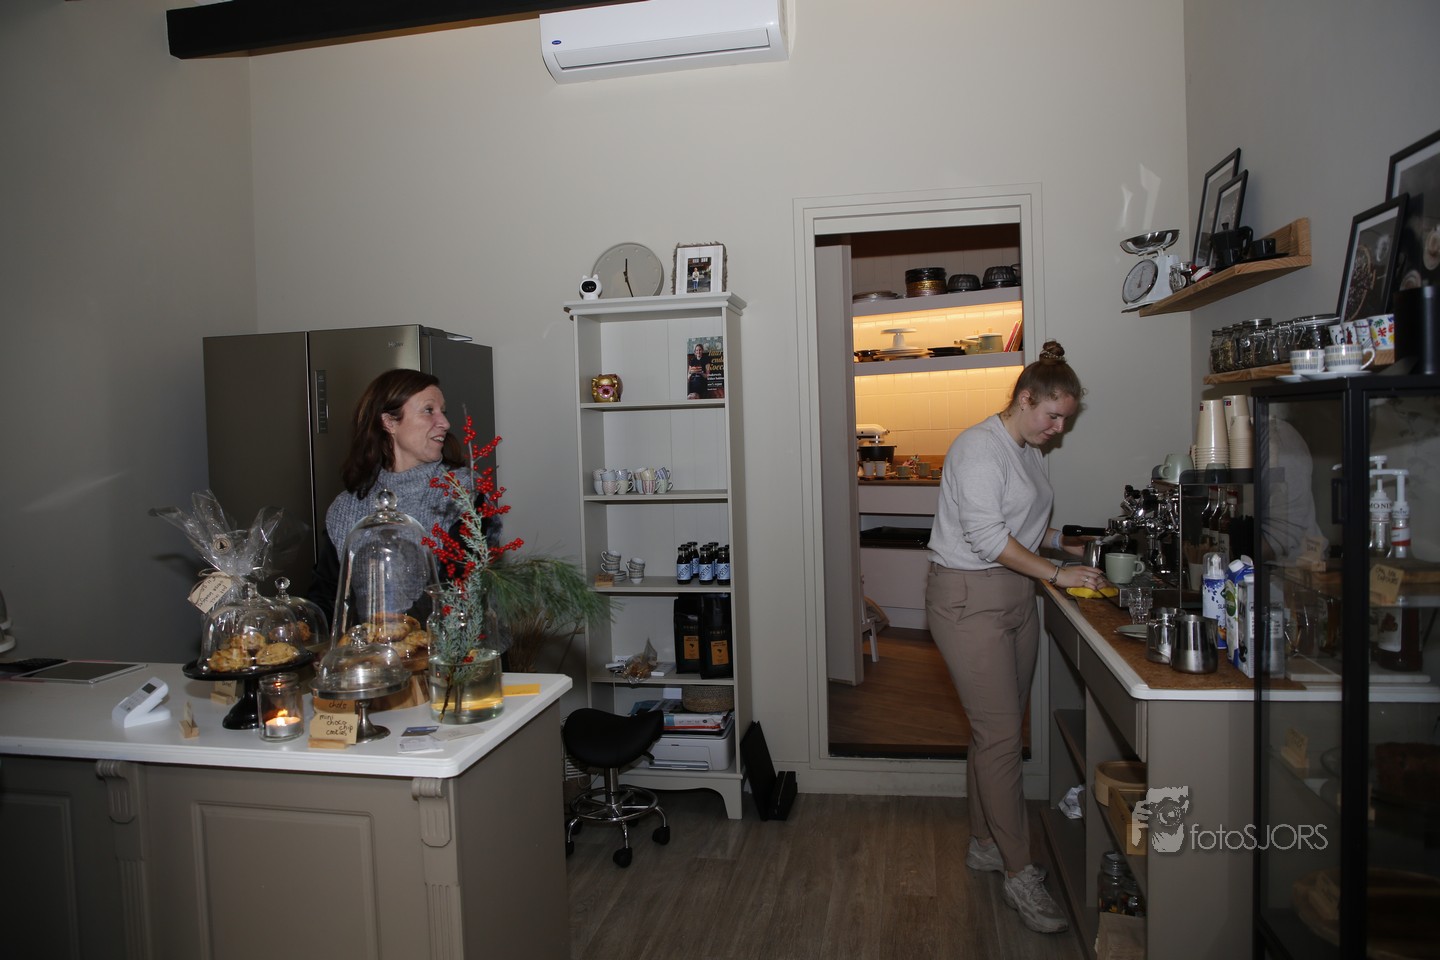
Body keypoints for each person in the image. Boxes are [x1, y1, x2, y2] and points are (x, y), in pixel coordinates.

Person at [923, 339, 1101, 935]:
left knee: (996, 732)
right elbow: (986, 537)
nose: (1058, 429)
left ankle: (984, 843)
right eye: (1052, 416)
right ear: (1025, 398)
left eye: (1065, 420)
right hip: (968, 598)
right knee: (1001, 737)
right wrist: (1057, 573)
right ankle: (1019, 872)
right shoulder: (978, 448)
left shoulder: (1028, 451)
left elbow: (1026, 524)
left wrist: (1068, 545)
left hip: (1016, 596)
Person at [308, 369, 473, 610]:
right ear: (389, 422)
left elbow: (462, 593)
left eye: (443, 412)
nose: (445, 423)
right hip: (369, 636)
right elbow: (325, 599)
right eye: (429, 410)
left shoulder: (464, 492)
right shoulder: (346, 507)